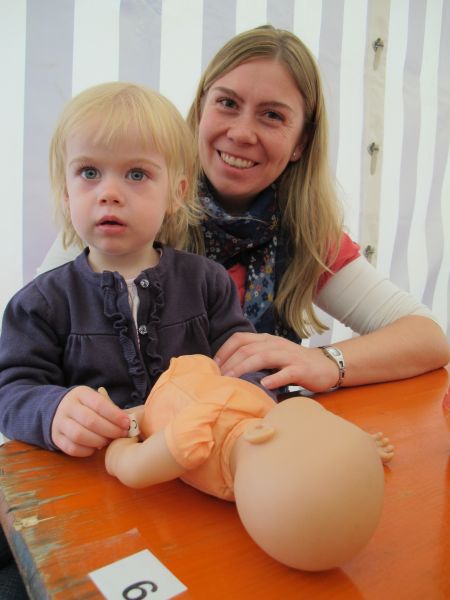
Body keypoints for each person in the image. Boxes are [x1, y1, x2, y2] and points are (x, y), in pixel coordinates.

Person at [39, 25, 449, 393]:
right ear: (201, 108)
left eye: (272, 115)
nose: (241, 133)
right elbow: (31, 348)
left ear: (301, 143)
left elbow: (429, 337)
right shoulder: (125, 212)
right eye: (227, 103)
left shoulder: (303, 234)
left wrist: (326, 361)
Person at [0, 81, 266, 458]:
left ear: (176, 193)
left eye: (137, 174)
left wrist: (244, 402)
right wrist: (53, 411)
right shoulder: (38, 304)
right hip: (90, 478)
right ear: (66, 193)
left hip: (193, 465)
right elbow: (12, 392)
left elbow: (246, 367)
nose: (109, 193)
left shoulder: (207, 283)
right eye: (89, 172)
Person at [105, 354, 393, 571]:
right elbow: (315, 474)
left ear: (260, 431)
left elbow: (130, 469)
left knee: (147, 414)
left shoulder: (191, 438)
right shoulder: (263, 481)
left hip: (171, 392)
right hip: (211, 380)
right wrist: (358, 448)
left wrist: (124, 431)